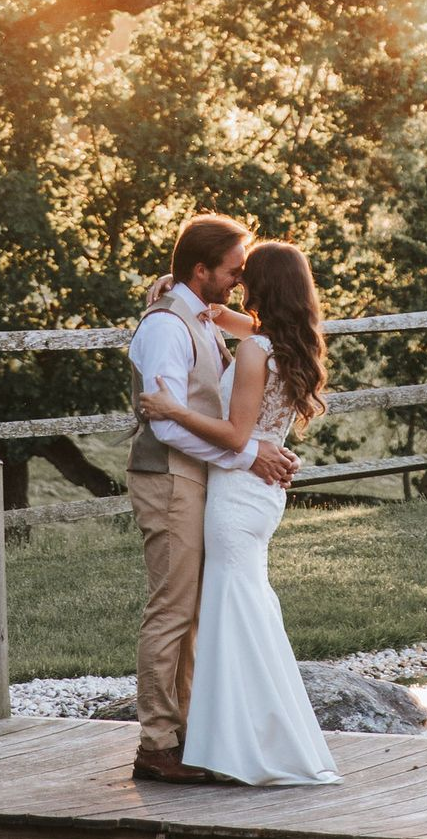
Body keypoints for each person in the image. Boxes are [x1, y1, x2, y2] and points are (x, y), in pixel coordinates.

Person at [143, 240, 339, 788]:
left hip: (236, 491)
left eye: (245, 276)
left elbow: (234, 435)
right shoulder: (285, 343)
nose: (237, 283)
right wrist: (176, 290)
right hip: (261, 494)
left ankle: (235, 744)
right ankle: (249, 734)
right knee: (243, 606)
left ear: (263, 287)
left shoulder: (256, 350)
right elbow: (218, 313)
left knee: (231, 611)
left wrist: (172, 408)